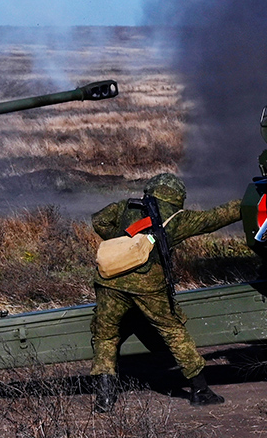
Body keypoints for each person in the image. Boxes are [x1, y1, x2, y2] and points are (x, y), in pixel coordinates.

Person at [89, 173, 242, 412]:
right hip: (148, 286)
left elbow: (99, 220)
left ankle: (104, 398)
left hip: (111, 280)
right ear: (178, 196)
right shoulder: (178, 219)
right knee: (173, 332)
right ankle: (200, 390)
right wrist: (247, 204)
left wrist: (123, 245)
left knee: (106, 336)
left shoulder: (128, 206)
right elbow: (215, 218)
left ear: (151, 189)